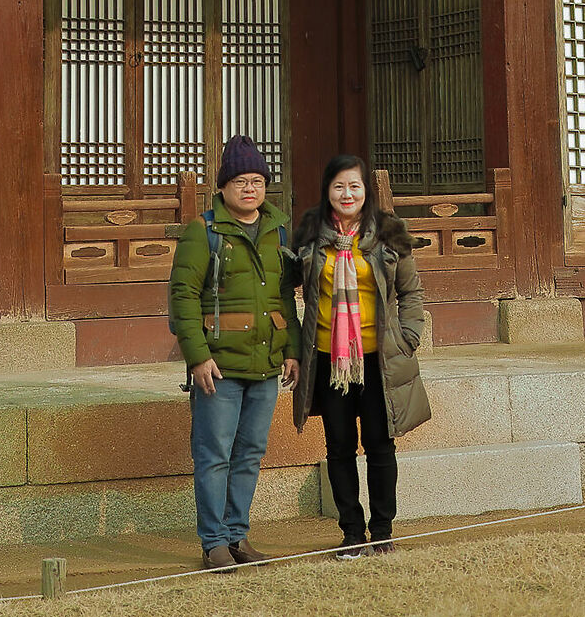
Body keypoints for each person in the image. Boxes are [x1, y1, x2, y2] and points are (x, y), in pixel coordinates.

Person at [288, 153, 431, 558]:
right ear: (327, 191)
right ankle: (351, 533)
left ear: (366, 190)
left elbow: (411, 292)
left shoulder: (388, 234)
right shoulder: (310, 235)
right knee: (338, 446)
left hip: (378, 359)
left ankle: (382, 531)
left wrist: (408, 338)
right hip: (330, 359)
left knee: (381, 446)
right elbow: (287, 286)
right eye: (338, 186)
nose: (346, 194)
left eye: (354, 185)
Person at [169, 134, 299, 571]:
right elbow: (183, 297)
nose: (250, 188)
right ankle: (214, 543)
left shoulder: (279, 231)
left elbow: (285, 296)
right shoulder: (202, 231)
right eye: (240, 180)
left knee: (249, 453)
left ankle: (237, 535)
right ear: (222, 188)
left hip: (265, 362)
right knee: (214, 454)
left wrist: (293, 350)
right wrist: (197, 356)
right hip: (218, 366)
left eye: (257, 180)